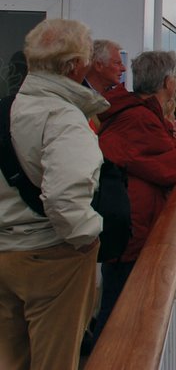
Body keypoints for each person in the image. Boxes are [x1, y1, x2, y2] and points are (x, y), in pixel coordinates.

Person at [0, 19, 108, 370]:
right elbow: (65, 200)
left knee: (9, 357)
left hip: (5, 251)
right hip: (50, 258)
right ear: (75, 66)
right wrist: (88, 235)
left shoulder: (8, 109)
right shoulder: (63, 118)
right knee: (54, 360)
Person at [93, 51, 176, 339]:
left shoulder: (135, 112)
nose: (175, 81)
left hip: (129, 225)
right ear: (167, 83)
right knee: (118, 314)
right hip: (130, 230)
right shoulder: (140, 119)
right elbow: (175, 165)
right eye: (174, 77)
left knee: (118, 306)